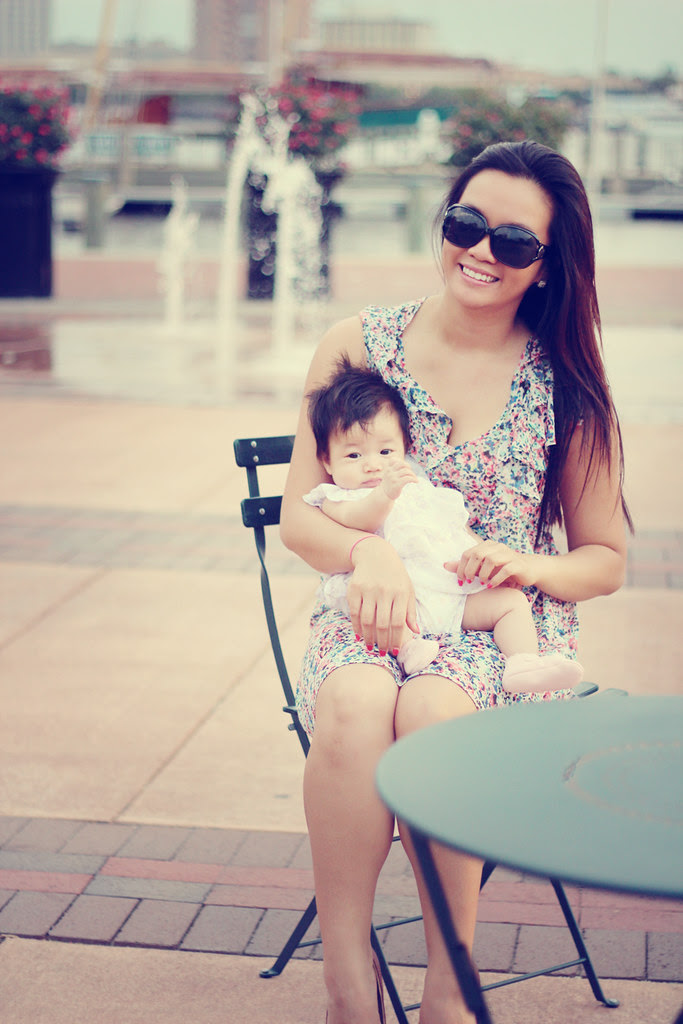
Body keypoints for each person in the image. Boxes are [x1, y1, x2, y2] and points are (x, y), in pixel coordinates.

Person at [280, 140, 630, 1024]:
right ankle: (347, 981)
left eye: (512, 242)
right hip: (370, 613)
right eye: (466, 223)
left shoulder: (566, 382)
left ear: (548, 266)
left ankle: (449, 991)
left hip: (497, 632)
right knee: (357, 700)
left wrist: (528, 564)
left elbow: (603, 559)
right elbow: (300, 519)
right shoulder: (356, 345)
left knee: (434, 712)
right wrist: (367, 553)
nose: (479, 251)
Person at [304, 356, 584, 692]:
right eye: (354, 455)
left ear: (405, 449)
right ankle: (408, 649)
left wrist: (482, 556)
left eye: (385, 452)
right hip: (395, 601)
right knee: (380, 615)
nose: (372, 465)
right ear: (327, 461)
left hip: (448, 591)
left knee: (512, 603)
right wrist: (385, 494)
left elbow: (451, 526)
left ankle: (523, 663)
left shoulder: (416, 486)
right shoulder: (338, 497)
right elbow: (360, 520)